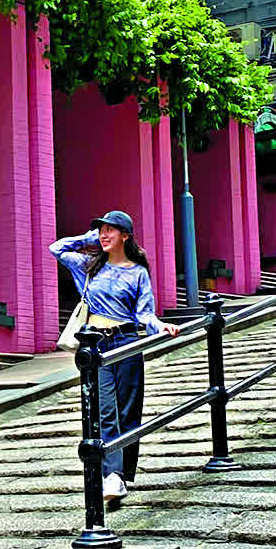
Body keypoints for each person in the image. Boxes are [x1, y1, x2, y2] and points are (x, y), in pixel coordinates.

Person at [51, 210, 175, 505]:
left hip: (127, 343)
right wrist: (90, 238)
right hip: (96, 346)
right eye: (101, 230)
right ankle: (112, 475)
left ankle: (122, 474)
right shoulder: (89, 266)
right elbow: (56, 248)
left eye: (110, 230)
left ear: (126, 235)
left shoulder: (138, 272)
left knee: (129, 411)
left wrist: (161, 326)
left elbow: (145, 313)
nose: (104, 235)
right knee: (105, 409)